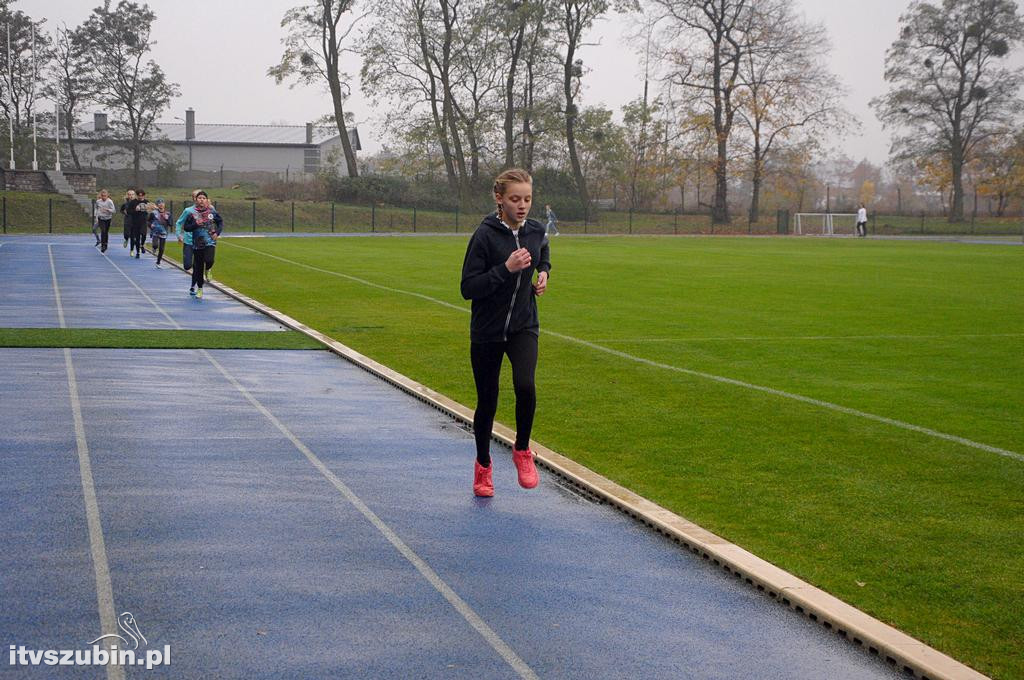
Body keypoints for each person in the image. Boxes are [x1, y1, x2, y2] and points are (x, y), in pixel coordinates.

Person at [460, 168, 551, 497]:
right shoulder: (484, 236)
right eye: (515, 199)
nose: (523, 205)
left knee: (525, 385)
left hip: (523, 325)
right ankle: (483, 466)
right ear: (499, 199)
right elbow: (468, 287)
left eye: (527, 199)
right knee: (488, 401)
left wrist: (543, 273)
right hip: (487, 330)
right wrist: (505, 269)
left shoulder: (536, 231)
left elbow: (544, 251)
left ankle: (522, 450)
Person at [181, 191, 223, 299]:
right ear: (196, 200)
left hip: (210, 241)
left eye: (204, 198)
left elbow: (220, 222)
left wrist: (217, 233)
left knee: (209, 260)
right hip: (197, 243)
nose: (201, 200)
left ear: (207, 200)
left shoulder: (212, 212)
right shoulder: (191, 214)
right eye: (199, 198)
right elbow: (186, 227)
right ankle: (200, 288)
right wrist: (195, 224)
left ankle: (208, 269)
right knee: (198, 267)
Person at [175, 189, 204, 273]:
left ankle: (204, 272)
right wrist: (179, 235)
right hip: (188, 241)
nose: (200, 199)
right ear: (194, 199)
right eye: (197, 197)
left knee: (199, 264)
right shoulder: (188, 211)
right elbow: (179, 223)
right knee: (187, 266)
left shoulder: (207, 211)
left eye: (202, 197)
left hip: (200, 240)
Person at [149, 199, 172, 268]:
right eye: (159, 203)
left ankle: (158, 262)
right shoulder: (153, 213)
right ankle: (154, 247)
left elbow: (171, 224)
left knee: (162, 249)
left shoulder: (168, 213)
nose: (161, 204)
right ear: (157, 205)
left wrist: (167, 219)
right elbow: (148, 221)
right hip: (155, 232)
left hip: (163, 232)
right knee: (155, 245)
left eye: (162, 203)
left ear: (164, 204)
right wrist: (151, 225)